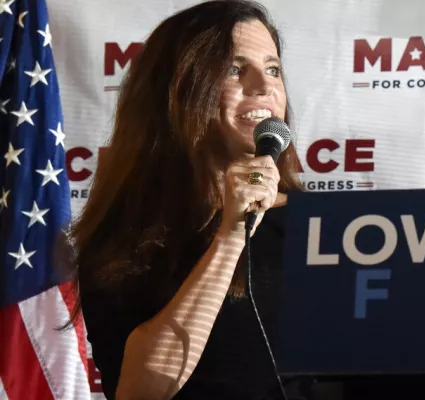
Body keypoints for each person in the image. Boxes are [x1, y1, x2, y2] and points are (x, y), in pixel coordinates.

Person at [62, 1, 314, 399]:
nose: (264, 86)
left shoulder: (318, 229)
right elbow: (142, 391)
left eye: (273, 69)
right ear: (179, 90)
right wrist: (230, 236)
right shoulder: (126, 241)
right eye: (235, 69)